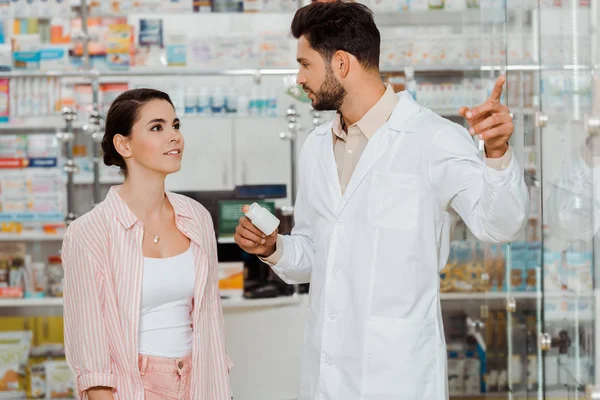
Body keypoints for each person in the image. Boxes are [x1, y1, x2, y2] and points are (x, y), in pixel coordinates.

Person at [234, 2, 528, 399]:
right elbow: (317, 252)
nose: (299, 77)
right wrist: (274, 248)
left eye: (305, 65)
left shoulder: (433, 139)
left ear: (340, 63)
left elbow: (501, 225)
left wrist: (497, 152)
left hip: (397, 374)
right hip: (326, 373)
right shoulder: (317, 146)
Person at [61, 88, 232, 400]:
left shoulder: (196, 217)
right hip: (135, 387)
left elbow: (210, 319)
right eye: (157, 127)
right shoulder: (91, 232)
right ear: (124, 144)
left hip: (199, 381)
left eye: (176, 125)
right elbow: (90, 350)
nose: (174, 137)